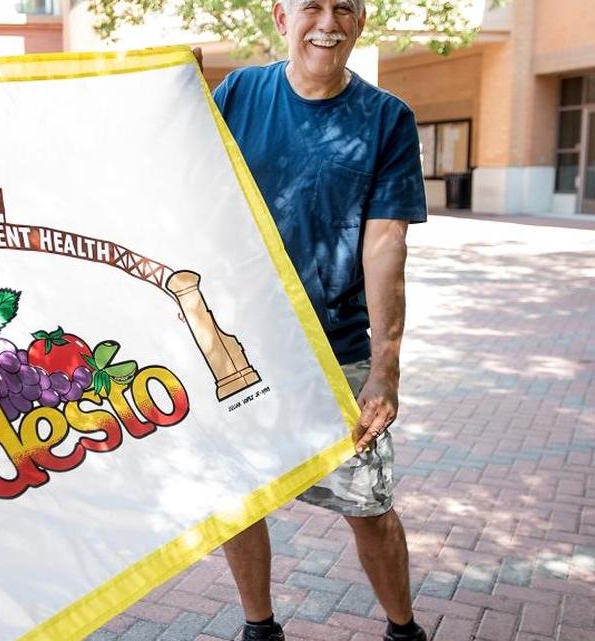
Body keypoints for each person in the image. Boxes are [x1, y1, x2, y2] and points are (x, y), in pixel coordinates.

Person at [201, 1, 428, 640]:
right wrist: (170, 98)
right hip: (241, 349)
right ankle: (260, 628)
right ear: (281, 18)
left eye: (344, 8)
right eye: (311, 6)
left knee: (370, 507)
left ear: (360, 22)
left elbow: (385, 245)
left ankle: (403, 629)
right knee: (238, 500)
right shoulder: (240, 93)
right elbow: (185, 180)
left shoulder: (387, 119)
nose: (326, 20)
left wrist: (385, 366)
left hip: (336, 353)